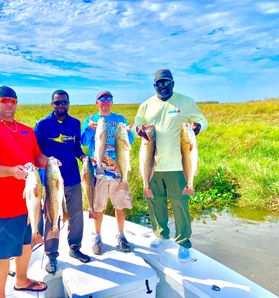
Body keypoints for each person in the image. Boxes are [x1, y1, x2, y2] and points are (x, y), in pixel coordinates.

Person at [0, 86, 48, 298]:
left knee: (27, 242)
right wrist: (11, 172)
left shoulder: (26, 130)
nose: (10, 104)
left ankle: (21, 281)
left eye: (13, 101)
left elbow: (37, 157)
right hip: (4, 203)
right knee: (3, 251)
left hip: (30, 200)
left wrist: (49, 163)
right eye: (5, 100)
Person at [133, 69, 208, 261]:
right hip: (153, 167)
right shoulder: (146, 105)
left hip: (178, 166)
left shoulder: (186, 101)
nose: (163, 86)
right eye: (159, 83)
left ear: (173, 83)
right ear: (155, 85)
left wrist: (198, 127)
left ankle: (183, 242)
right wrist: (139, 129)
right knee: (155, 201)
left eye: (166, 83)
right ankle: (161, 234)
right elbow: (135, 126)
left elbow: (202, 120)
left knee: (180, 204)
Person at [34, 90, 90, 274]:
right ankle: (51, 254)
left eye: (64, 102)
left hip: (72, 176)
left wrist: (83, 157)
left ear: (68, 103)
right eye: (57, 103)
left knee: (75, 214)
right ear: (52, 104)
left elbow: (76, 148)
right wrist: (46, 161)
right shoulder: (42, 125)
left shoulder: (74, 123)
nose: (61, 106)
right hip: (51, 179)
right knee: (52, 215)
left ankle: (75, 248)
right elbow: (36, 152)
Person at [81, 91, 134, 255]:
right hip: (98, 170)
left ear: (112, 102)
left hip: (118, 169)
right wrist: (90, 129)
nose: (105, 102)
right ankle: (97, 237)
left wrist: (129, 132)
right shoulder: (90, 120)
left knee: (120, 205)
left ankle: (121, 235)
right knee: (98, 206)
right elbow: (83, 141)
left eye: (108, 99)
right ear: (96, 102)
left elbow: (129, 142)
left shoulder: (120, 119)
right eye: (102, 99)